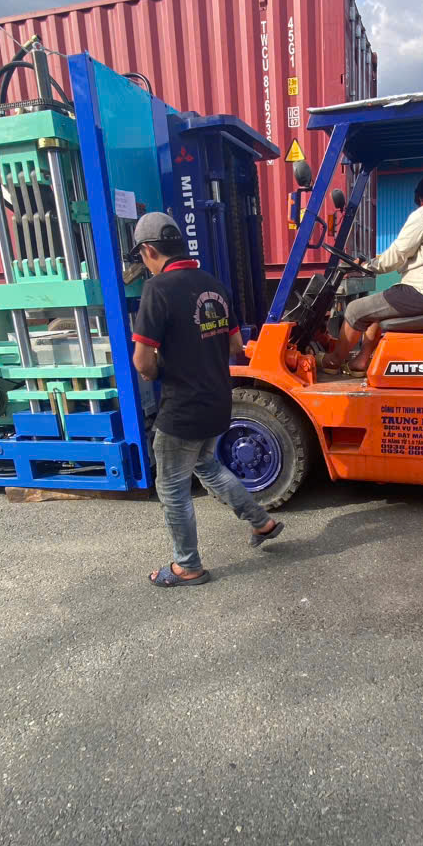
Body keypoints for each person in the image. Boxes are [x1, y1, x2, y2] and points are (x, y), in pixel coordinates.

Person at [129, 212, 283, 587]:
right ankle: (261, 522)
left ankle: (187, 566)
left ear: (149, 250)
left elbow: (142, 361)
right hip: (217, 402)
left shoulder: (157, 289)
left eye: (142, 257)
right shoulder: (213, 285)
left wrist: (158, 369)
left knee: (172, 489)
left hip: (182, 410)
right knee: (207, 466)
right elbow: (235, 345)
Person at [321, 173, 423, 375]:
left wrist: (367, 265)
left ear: (422, 199)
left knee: (355, 310)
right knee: (376, 310)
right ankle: (361, 361)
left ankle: (334, 361)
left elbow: (396, 256)